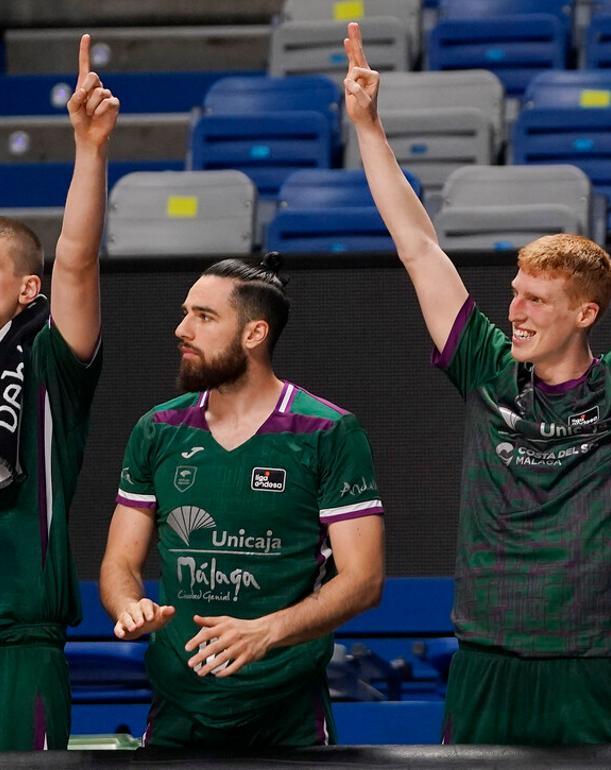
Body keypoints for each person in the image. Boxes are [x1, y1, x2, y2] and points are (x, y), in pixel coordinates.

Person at [343, 21, 611, 744]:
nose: (513, 310)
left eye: (535, 299)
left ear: (585, 312)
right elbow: (419, 247)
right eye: (513, 293)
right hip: (485, 662)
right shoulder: (488, 371)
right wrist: (367, 125)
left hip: (590, 667)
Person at [98, 257, 385, 748]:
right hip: (177, 709)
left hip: (287, 714)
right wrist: (129, 607)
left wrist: (265, 632)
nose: (182, 329)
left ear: (254, 334)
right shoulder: (157, 429)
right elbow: (120, 561)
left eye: (204, 317)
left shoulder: (328, 431)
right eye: (186, 313)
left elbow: (364, 580)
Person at [0, 35, 116, 752]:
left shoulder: (47, 360)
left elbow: (77, 259)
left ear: (25, 289)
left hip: (14, 644)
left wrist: (89, 149)